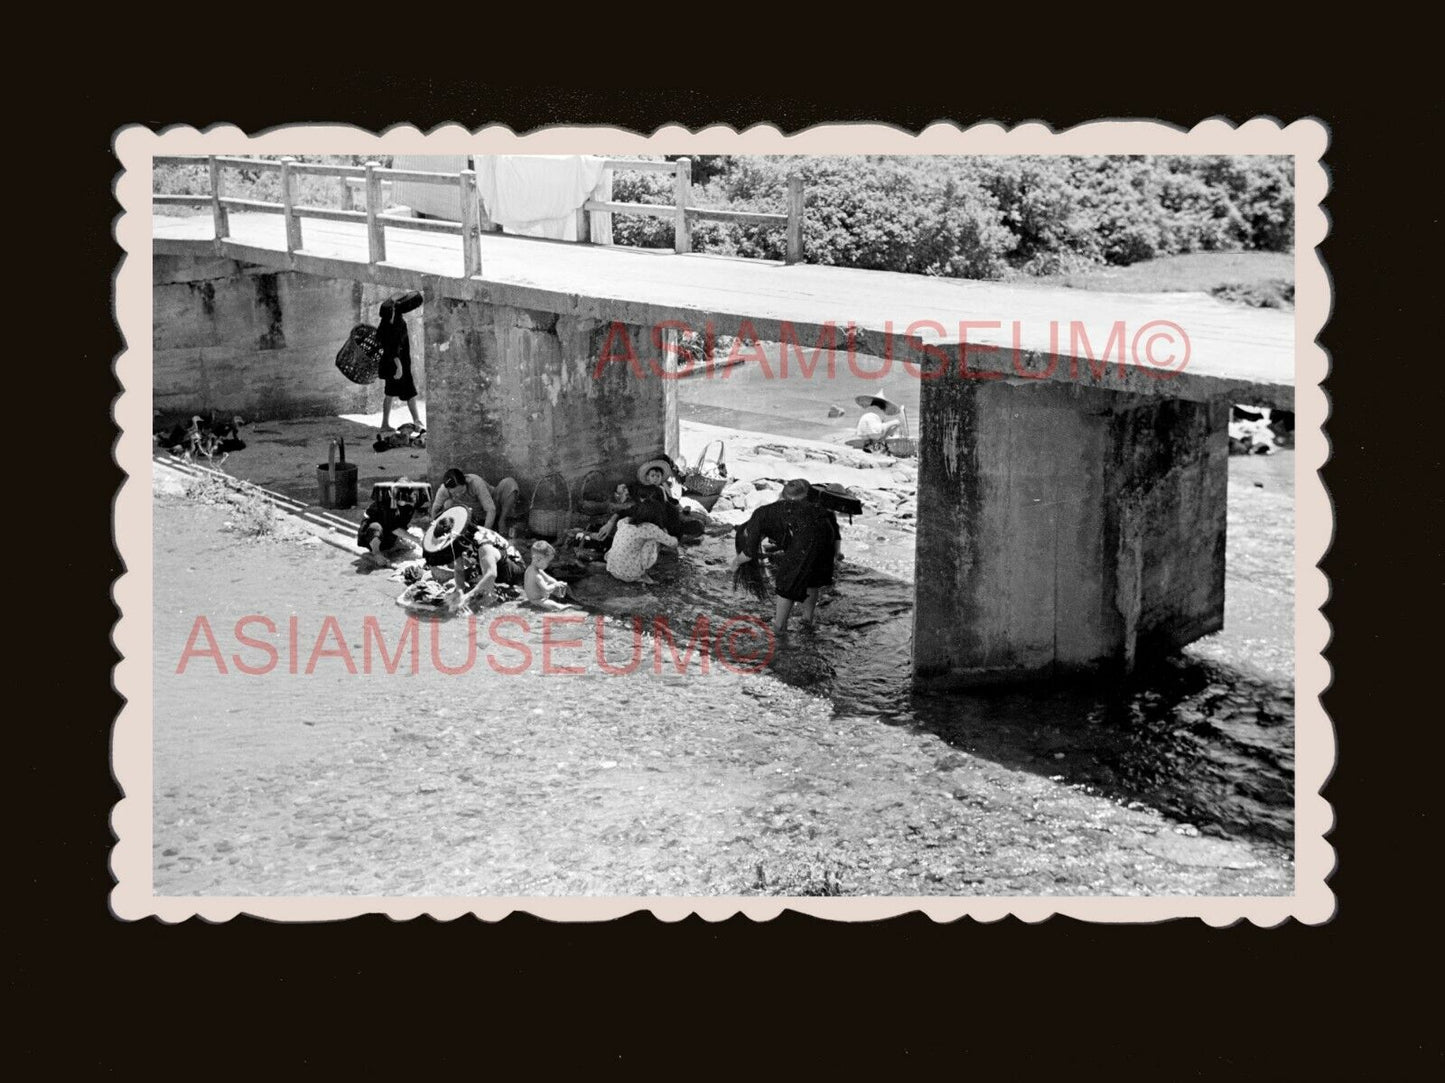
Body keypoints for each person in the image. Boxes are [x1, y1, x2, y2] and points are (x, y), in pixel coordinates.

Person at [731, 478, 842, 637]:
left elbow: (749, 553)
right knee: (811, 580)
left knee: (786, 582)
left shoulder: (759, 515)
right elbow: (831, 526)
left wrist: (735, 562)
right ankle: (807, 621)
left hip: (807, 538)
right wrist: (837, 552)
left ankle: (779, 627)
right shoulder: (808, 506)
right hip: (826, 535)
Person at [378, 296, 424, 433]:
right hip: (399, 365)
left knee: (390, 393)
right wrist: (399, 367)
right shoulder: (397, 325)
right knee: (409, 392)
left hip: (389, 364)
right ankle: (417, 420)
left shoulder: (385, 324)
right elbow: (395, 349)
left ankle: (385, 423)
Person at [430, 467, 521, 535]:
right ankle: (458, 529)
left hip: (492, 507)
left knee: (509, 484)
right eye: (454, 493)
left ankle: (501, 521)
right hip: (472, 515)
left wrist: (484, 534)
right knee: (447, 504)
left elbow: (491, 510)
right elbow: (435, 508)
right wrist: (434, 529)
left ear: (465, 482)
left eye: (461, 491)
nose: (458, 495)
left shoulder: (475, 482)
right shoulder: (444, 490)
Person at [604, 501, 678, 584]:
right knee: (653, 541)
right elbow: (673, 543)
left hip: (612, 568)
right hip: (630, 575)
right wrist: (667, 533)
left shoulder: (624, 521)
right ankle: (641, 573)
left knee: (632, 541)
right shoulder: (650, 528)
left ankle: (632, 567)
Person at [357, 486, 419, 568]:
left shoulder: (408, 506)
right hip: (371, 536)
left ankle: (394, 544)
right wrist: (415, 539)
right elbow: (393, 527)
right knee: (375, 527)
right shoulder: (385, 503)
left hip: (388, 535)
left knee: (405, 542)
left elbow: (401, 525)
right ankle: (376, 553)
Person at [523, 540, 577, 607]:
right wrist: (555, 585)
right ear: (538, 559)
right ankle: (567, 606)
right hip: (537, 600)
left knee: (555, 588)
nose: (548, 565)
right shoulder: (536, 575)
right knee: (555, 606)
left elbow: (549, 579)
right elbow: (546, 589)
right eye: (547, 562)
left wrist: (558, 584)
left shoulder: (532, 569)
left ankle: (565, 600)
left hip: (539, 597)